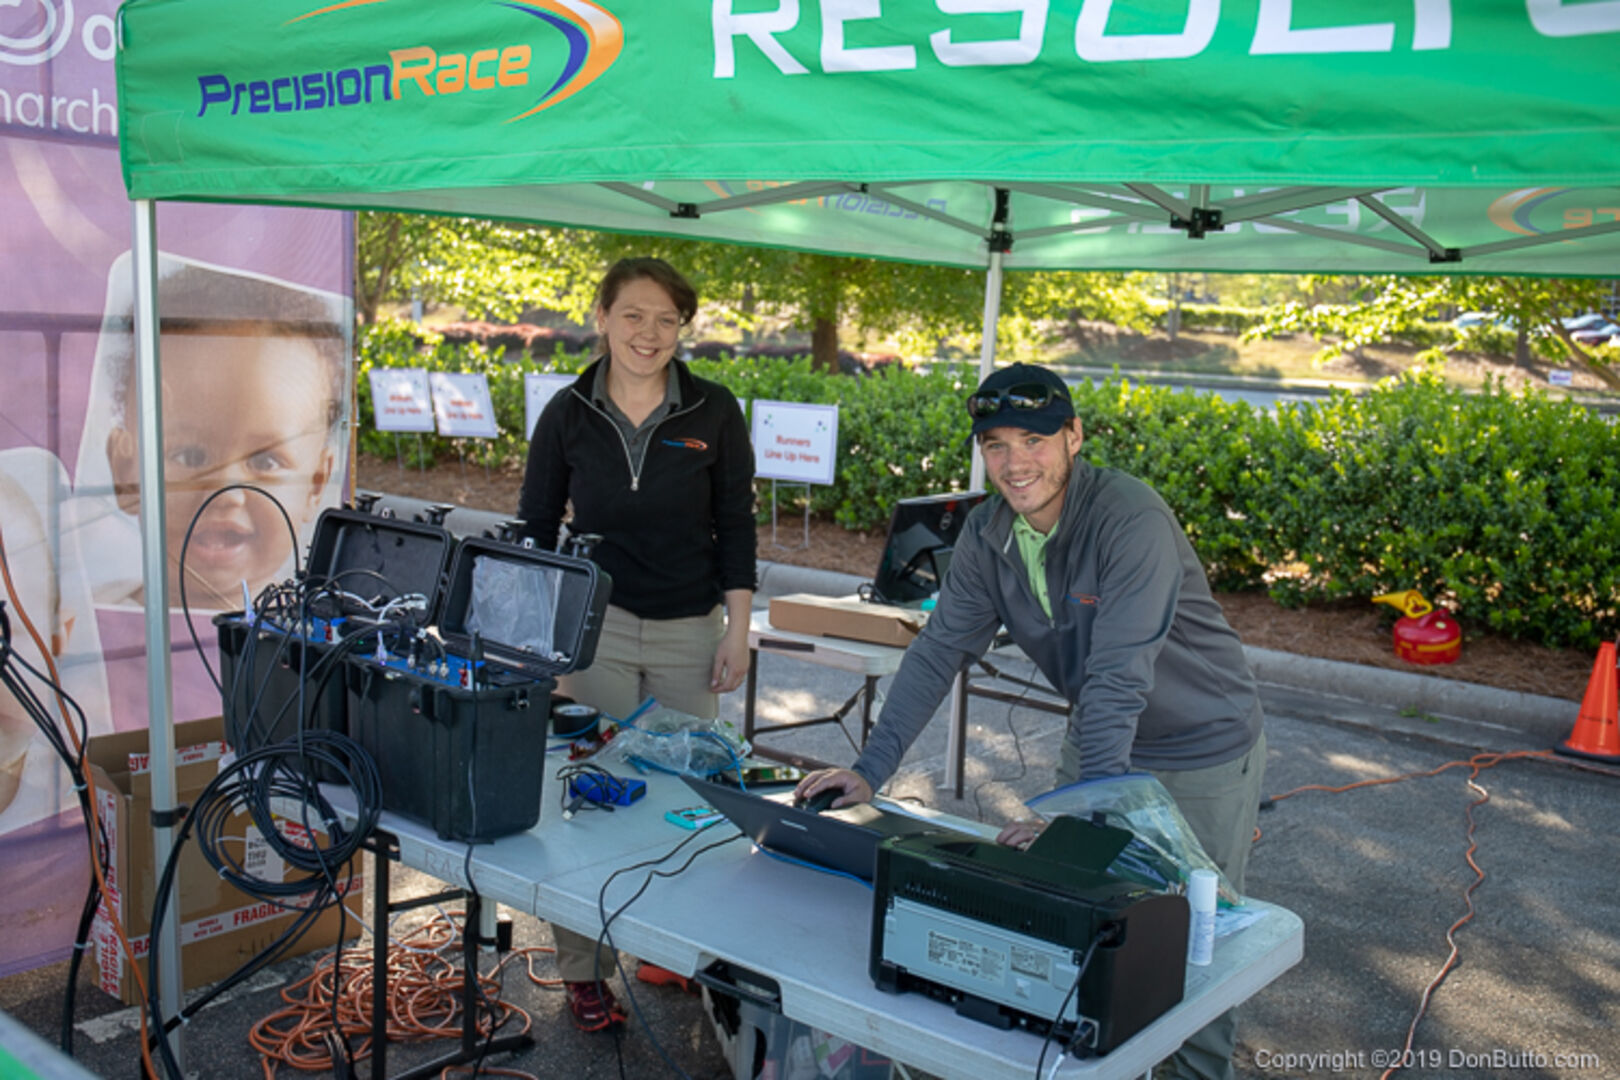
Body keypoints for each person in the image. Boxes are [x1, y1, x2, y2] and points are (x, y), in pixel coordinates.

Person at [796, 362, 1266, 1080]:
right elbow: (937, 652)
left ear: (1074, 436)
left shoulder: (1128, 519)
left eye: (1034, 440)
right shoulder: (989, 534)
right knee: (1078, 919)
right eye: (997, 445)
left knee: (1196, 935)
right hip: (1098, 738)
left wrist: (1086, 827)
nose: (1015, 464)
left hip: (1200, 745)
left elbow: (1117, 678)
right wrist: (869, 770)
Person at [518, 257, 757, 1031]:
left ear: (682, 329)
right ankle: (585, 972)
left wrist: (738, 629)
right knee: (589, 797)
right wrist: (543, 640)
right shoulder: (568, 411)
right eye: (633, 315)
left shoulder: (715, 410)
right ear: (602, 317)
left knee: (689, 799)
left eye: (666, 320)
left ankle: (670, 949)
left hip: (692, 627)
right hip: (599, 627)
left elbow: (737, 526)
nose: (648, 333)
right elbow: (536, 527)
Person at [73, 252, 348, 612]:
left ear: (316, 484)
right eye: (190, 456)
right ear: (126, 473)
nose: (225, 492)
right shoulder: (84, 623)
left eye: (265, 461)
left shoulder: (325, 632)